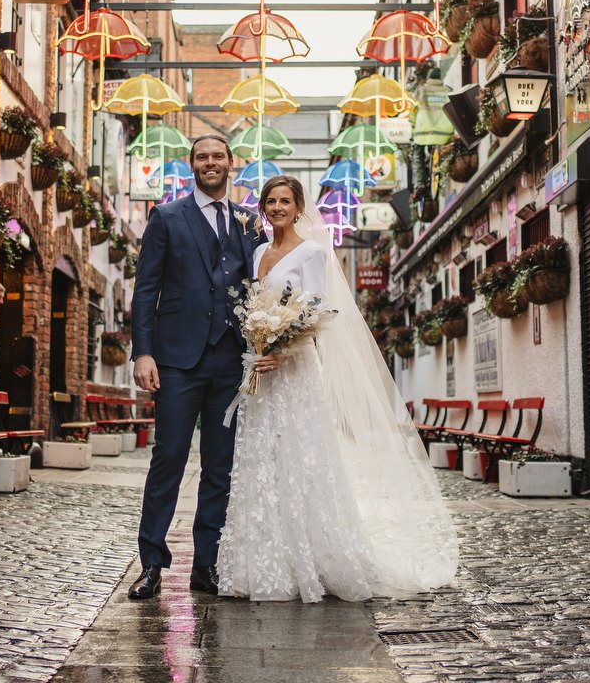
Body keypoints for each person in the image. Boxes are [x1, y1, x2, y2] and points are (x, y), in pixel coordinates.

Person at [217, 175, 458, 602]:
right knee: (262, 461)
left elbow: (317, 311)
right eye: (270, 201)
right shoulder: (257, 251)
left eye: (284, 201)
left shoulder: (311, 252)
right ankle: (265, 562)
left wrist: (281, 349)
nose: (276, 208)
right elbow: (259, 308)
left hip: (293, 372)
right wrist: (259, 344)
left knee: (301, 458)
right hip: (261, 373)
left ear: (298, 206)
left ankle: (315, 558)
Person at [128, 135, 267, 600]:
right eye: (202, 157)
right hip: (176, 360)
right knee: (168, 458)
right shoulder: (167, 217)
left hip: (231, 361)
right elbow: (146, 289)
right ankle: (151, 563)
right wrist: (142, 352)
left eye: (218, 156)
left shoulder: (250, 223)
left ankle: (206, 563)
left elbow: (265, 287)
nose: (211, 163)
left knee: (220, 466)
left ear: (232, 164)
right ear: (192, 166)